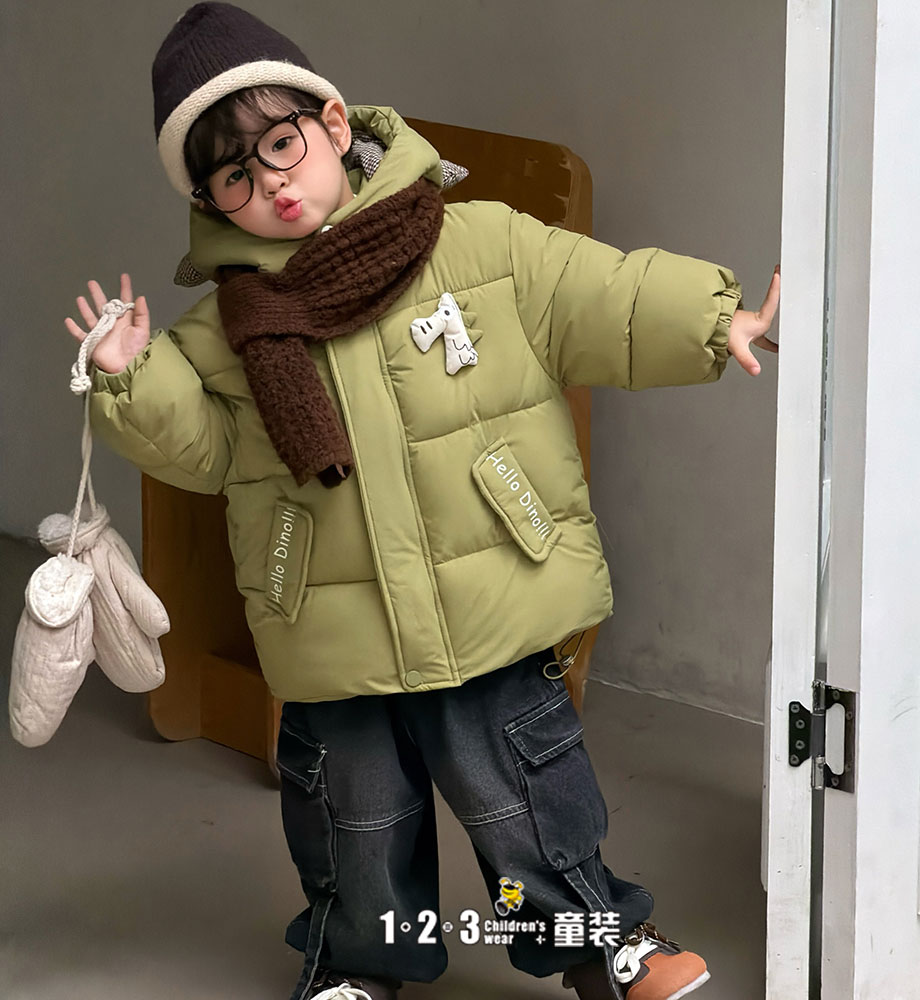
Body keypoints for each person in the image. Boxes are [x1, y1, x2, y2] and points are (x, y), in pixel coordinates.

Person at [66, 4, 779, 999]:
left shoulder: (476, 244)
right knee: (351, 817)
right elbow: (205, 448)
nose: (271, 184)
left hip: (487, 588)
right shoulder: (225, 330)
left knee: (529, 794)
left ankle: (601, 944)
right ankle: (358, 964)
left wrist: (711, 318)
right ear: (209, 199)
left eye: (281, 145)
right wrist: (131, 376)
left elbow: (598, 295)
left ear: (332, 122)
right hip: (331, 619)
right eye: (234, 176)